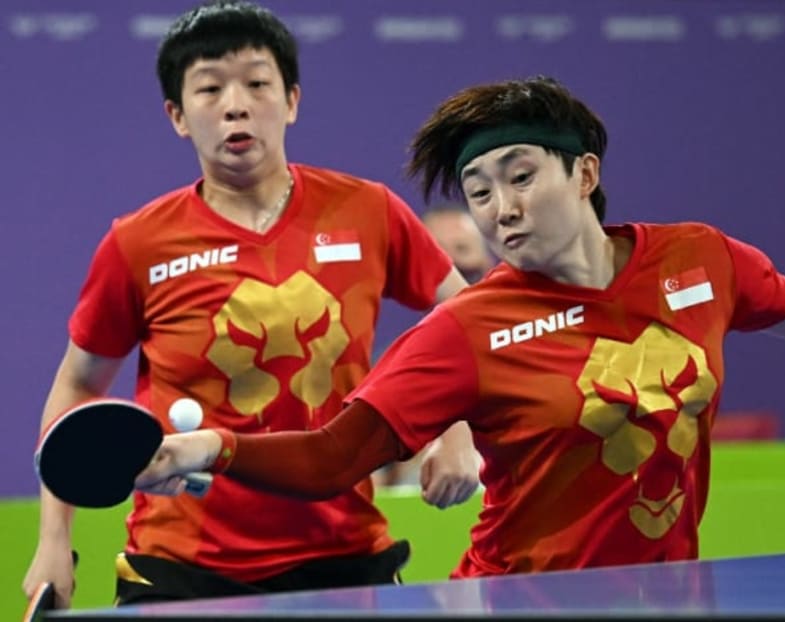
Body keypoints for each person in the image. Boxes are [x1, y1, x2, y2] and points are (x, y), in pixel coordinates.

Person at [136, 74, 785, 578]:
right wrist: (207, 449)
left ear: (584, 173)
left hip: (663, 594)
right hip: (518, 601)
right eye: (479, 193)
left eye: (521, 176)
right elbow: (333, 458)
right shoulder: (466, 329)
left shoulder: (700, 258)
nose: (502, 209)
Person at [22, 0, 482, 608]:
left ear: (291, 100)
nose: (235, 104)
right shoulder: (138, 242)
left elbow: (473, 320)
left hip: (344, 552)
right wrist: (54, 539)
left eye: (257, 84)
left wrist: (456, 427)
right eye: (209, 89)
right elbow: (78, 389)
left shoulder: (367, 211)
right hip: (181, 564)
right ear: (177, 116)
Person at [373, 203, 493, 487]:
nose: (451, 265)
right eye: (438, 255)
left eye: (462, 249)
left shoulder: (529, 347)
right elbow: (373, 478)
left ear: (487, 261)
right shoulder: (390, 371)